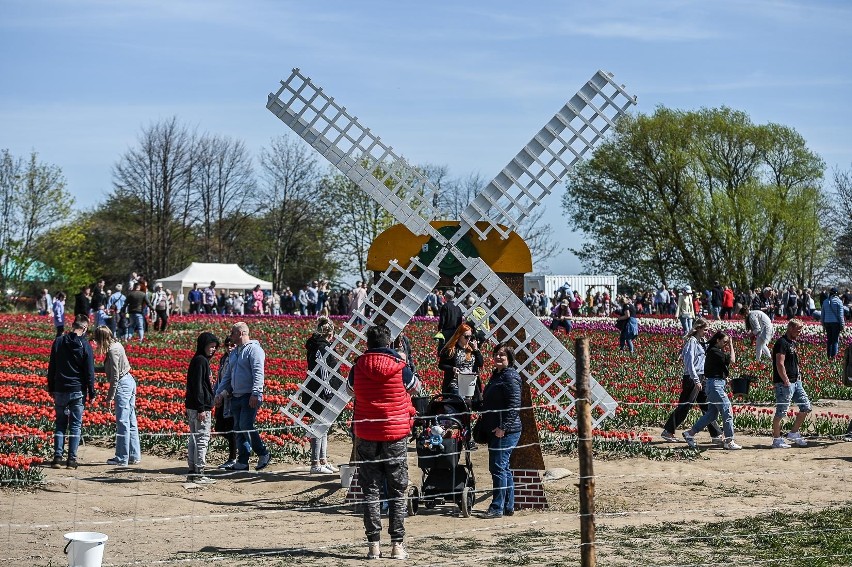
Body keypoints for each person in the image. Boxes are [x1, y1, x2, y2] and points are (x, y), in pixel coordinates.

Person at [346, 324, 419, 560]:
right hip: (395, 433)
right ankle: (397, 545)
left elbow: (350, 390)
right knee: (398, 489)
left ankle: (373, 546)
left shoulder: (358, 367)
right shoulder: (400, 367)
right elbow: (416, 387)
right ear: (388, 343)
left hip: (367, 433)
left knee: (371, 490)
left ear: (367, 343)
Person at [214, 322, 271, 471]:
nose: (230, 336)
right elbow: (227, 376)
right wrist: (219, 393)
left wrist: (256, 393)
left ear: (240, 333)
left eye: (232, 333)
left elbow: (259, 373)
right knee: (238, 428)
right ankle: (243, 461)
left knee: (246, 426)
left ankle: (263, 453)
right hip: (236, 396)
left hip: (248, 395)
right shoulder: (235, 353)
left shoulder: (254, 350)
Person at [660, 318, 724, 443]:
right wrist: (696, 380)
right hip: (692, 378)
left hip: (702, 377)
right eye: (705, 329)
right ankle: (668, 431)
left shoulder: (702, 341)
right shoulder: (692, 342)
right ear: (699, 328)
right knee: (685, 405)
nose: (707, 331)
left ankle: (716, 434)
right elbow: (689, 363)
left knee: (706, 406)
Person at [479, 342, 522, 518]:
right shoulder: (497, 375)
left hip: (506, 431)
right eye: (496, 353)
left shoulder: (510, 377)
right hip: (497, 428)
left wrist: (503, 428)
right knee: (503, 468)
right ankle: (508, 506)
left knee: (497, 467)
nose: (498, 356)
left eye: (502, 355)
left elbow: (514, 405)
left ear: (510, 359)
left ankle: (497, 507)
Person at [47, 314, 96, 469]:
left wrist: (51, 387)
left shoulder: (59, 341)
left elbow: (52, 367)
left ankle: (57, 458)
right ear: (85, 327)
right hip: (77, 390)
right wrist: (92, 392)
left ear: (72, 325)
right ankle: (71, 460)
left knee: (60, 423)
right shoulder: (85, 345)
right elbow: (89, 371)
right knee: (75, 425)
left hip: (60, 388)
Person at [682, 330, 742, 450]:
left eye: (727, 342)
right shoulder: (715, 351)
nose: (726, 344)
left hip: (714, 385)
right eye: (724, 342)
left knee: (711, 415)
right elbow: (733, 360)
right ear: (717, 340)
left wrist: (725, 378)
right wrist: (731, 345)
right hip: (715, 386)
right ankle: (729, 440)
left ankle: (690, 433)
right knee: (727, 410)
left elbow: (716, 369)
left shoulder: (713, 352)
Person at [93, 326, 141, 467]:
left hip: (122, 385)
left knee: (122, 422)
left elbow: (114, 376)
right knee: (131, 421)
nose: (95, 343)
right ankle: (133, 455)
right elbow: (112, 370)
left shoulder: (113, 351)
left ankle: (121, 458)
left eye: (96, 340)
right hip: (129, 381)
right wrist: (92, 369)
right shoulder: (117, 344)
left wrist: (109, 398)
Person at [303, 316, 340, 474]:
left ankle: (323, 460)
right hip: (321, 391)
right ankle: (315, 463)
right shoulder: (322, 347)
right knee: (319, 427)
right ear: (330, 334)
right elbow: (323, 371)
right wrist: (328, 392)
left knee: (323, 427)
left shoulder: (317, 345)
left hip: (317, 389)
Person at [770, 319, 811, 448]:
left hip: (796, 382)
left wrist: (798, 375)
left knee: (806, 406)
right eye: (798, 329)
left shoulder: (792, 343)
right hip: (784, 384)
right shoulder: (781, 343)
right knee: (781, 412)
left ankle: (793, 433)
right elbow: (779, 363)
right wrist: (786, 380)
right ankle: (776, 440)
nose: (800, 332)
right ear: (790, 328)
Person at [186, 332, 220, 484]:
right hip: (200, 407)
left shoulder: (198, 359)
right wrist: (201, 408)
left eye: (214, 347)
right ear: (203, 345)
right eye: (210, 346)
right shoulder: (201, 361)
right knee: (202, 438)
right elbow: (198, 385)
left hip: (193, 405)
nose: (213, 350)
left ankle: (193, 471)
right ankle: (199, 472)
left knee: (194, 437)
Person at [438, 323, 483, 397]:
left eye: (470, 337)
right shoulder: (451, 349)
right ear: (459, 336)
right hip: (455, 384)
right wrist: (452, 368)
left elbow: (480, 363)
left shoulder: (471, 349)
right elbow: (441, 365)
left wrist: (476, 350)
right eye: (466, 337)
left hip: (470, 384)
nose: (468, 339)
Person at [213, 337, 238, 469]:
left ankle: (233, 458)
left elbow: (232, 380)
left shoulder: (236, 359)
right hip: (221, 397)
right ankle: (237, 449)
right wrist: (215, 394)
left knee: (230, 429)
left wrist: (223, 394)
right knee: (220, 428)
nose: (229, 347)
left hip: (231, 398)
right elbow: (220, 379)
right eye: (227, 345)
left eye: (232, 344)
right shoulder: (224, 359)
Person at [821, 287, 846, 360]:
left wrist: (823, 324)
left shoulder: (825, 301)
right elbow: (841, 316)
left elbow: (822, 314)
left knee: (829, 340)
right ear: (836, 294)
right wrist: (842, 325)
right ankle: (834, 357)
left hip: (827, 322)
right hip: (835, 323)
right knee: (835, 341)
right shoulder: (839, 302)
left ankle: (828, 356)